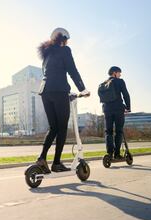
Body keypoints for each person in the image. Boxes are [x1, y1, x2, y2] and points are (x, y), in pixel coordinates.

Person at [36, 28, 90, 173]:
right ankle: (56, 163)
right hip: (59, 91)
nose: (67, 42)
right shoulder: (65, 50)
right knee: (62, 128)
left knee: (53, 127)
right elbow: (72, 69)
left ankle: (41, 158)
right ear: (63, 39)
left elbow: (51, 74)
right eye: (66, 40)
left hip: (45, 92)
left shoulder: (47, 56)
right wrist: (82, 90)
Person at [102, 66, 130, 159]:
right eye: (119, 73)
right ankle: (117, 154)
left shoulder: (103, 83)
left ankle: (109, 153)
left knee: (108, 132)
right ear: (114, 73)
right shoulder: (120, 81)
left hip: (107, 109)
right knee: (119, 131)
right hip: (118, 109)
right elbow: (125, 94)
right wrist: (128, 107)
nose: (120, 74)